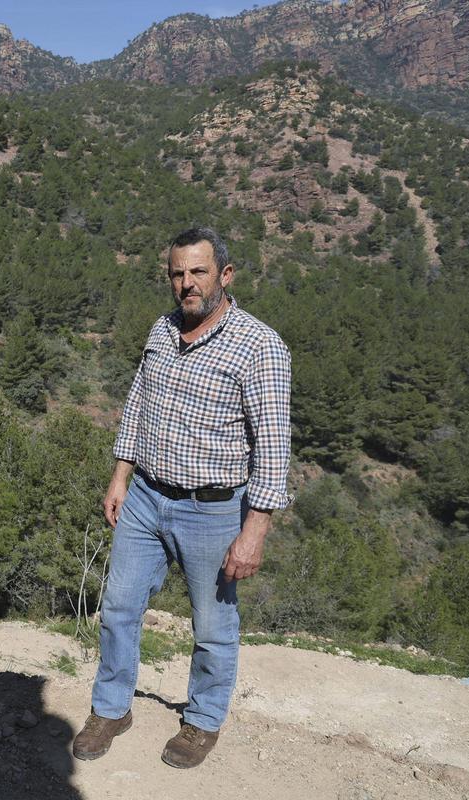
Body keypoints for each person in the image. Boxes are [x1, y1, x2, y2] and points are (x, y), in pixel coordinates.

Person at [72, 226, 292, 769]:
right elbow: (138, 405)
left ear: (225, 275)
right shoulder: (162, 330)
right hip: (146, 495)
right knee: (119, 606)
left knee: (212, 625)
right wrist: (120, 476)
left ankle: (202, 721)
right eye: (177, 273)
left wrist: (254, 531)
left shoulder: (259, 346)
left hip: (214, 509)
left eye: (198, 271)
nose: (186, 284)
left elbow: (273, 445)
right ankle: (111, 707)